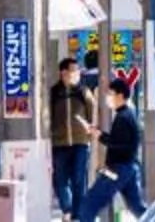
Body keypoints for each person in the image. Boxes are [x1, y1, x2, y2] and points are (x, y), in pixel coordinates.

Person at [76, 76, 146, 222]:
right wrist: (99, 134)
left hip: (117, 169)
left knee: (89, 204)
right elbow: (120, 142)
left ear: (120, 95)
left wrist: (98, 134)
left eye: (110, 94)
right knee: (137, 208)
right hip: (128, 167)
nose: (108, 97)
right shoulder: (129, 115)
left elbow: (117, 143)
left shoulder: (123, 117)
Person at [47, 53, 98, 219]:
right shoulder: (53, 93)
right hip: (59, 144)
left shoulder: (83, 92)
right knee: (59, 180)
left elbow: (93, 113)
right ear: (63, 73)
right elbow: (47, 117)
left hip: (80, 143)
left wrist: (89, 134)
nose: (77, 74)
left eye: (77, 71)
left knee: (78, 180)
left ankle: (77, 215)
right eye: (73, 71)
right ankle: (67, 209)